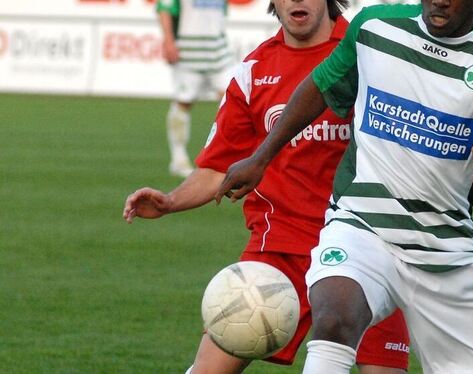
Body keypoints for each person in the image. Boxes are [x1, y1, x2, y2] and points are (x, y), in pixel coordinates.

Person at [217, 0, 473, 372]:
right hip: (361, 227)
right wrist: (261, 158)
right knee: (335, 314)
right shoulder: (375, 27)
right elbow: (318, 86)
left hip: (445, 253)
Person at [124, 0, 410, 372]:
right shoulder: (255, 71)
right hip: (280, 249)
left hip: (369, 248)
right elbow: (218, 165)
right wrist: (170, 201)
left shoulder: (369, 52)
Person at [157, 0, 236, 177]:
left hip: (219, 51)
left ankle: (227, 157)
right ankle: (178, 158)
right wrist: (168, 41)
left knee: (233, 101)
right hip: (188, 51)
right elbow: (164, 8)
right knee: (184, 101)